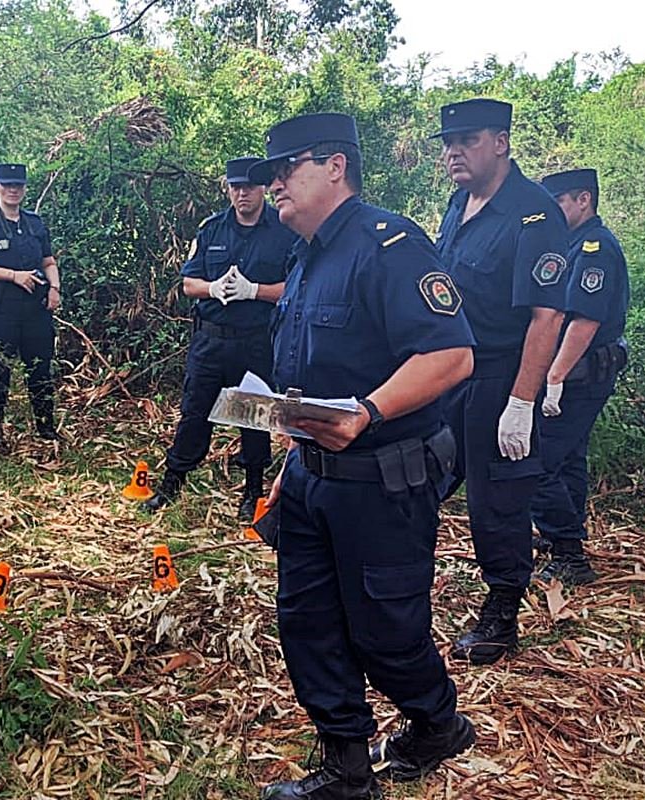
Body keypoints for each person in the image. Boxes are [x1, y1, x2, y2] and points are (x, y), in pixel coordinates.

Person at [248, 113, 477, 800]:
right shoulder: (308, 256)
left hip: (383, 479)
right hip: (314, 474)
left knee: (383, 629)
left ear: (335, 166)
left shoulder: (389, 245)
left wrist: (369, 411)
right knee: (308, 622)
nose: (275, 184)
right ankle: (346, 767)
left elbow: (453, 353)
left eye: (287, 169)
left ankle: (437, 723)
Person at [432, 98, 569, 665]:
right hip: (449, 369)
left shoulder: (534, 214)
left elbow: (547, 316)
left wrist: (522, 401)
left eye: (466, 139)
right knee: (425, 474)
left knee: (498, 499)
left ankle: (502, 613)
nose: (452, 152)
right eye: (447, 142)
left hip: (498, 374)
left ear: (501, 142)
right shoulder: (458, 204)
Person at [141, 156, 297, 519]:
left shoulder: (283, 231)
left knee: (254, 417)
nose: (242, 193)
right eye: (235, 187)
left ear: (262, 188)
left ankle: (253, 489)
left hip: (256, 340)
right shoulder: (211, 229)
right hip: (211, 340)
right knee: (195, 411)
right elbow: (188, 284)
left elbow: (296, 286)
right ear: (228, 189)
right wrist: (212, 288)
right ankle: (173, 481)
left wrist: (254, 290)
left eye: (249, 186)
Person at [531, 168, 630, 585]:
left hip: (579, 375)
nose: (553, 213)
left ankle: (570, 555)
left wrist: (552, 378)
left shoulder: (594, 248)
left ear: (583, 200)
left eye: (559, 204)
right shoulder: (571, 243)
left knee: (537, 463)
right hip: (576, 374)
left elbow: (584, 322)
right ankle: (565, 537)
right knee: (568, 459)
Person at [0, 163, 62, 450]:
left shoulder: (34, 223)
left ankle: (46, 431)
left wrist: (54, 288)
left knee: (40, 371)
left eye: (17, 185)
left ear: (24, 189)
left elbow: (48, 261)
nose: (12, 190)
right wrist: (13, 276)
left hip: (35, 311)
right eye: (6, 185)